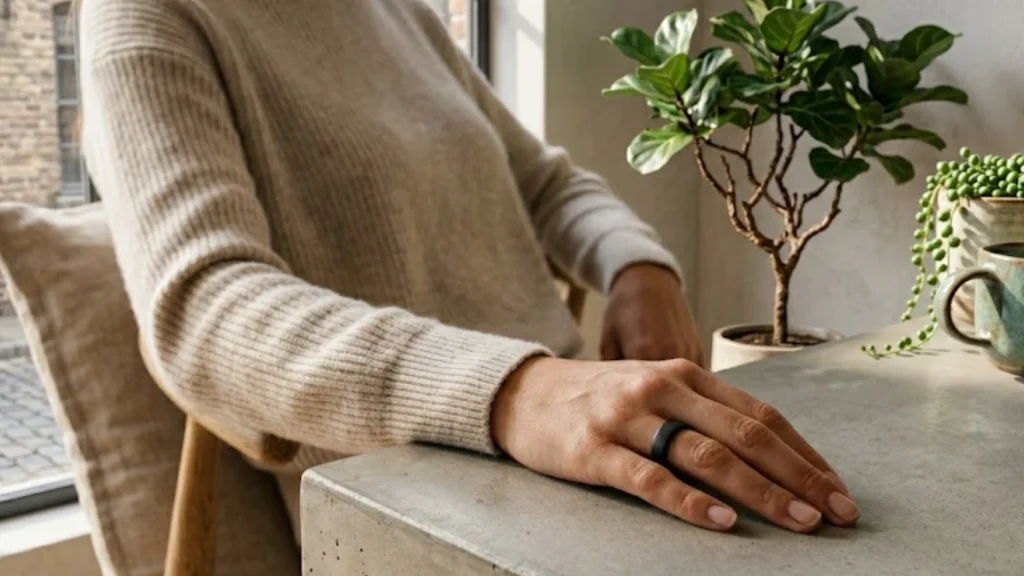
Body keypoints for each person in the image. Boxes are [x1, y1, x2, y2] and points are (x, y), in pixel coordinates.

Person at [78, 0, 859, 540]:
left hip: (565, 445)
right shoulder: (145, 19)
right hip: (403, 494)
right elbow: (202, 307)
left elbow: (546, 183)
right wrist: (512, 391)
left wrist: (636, 265)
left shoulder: (394, 13)